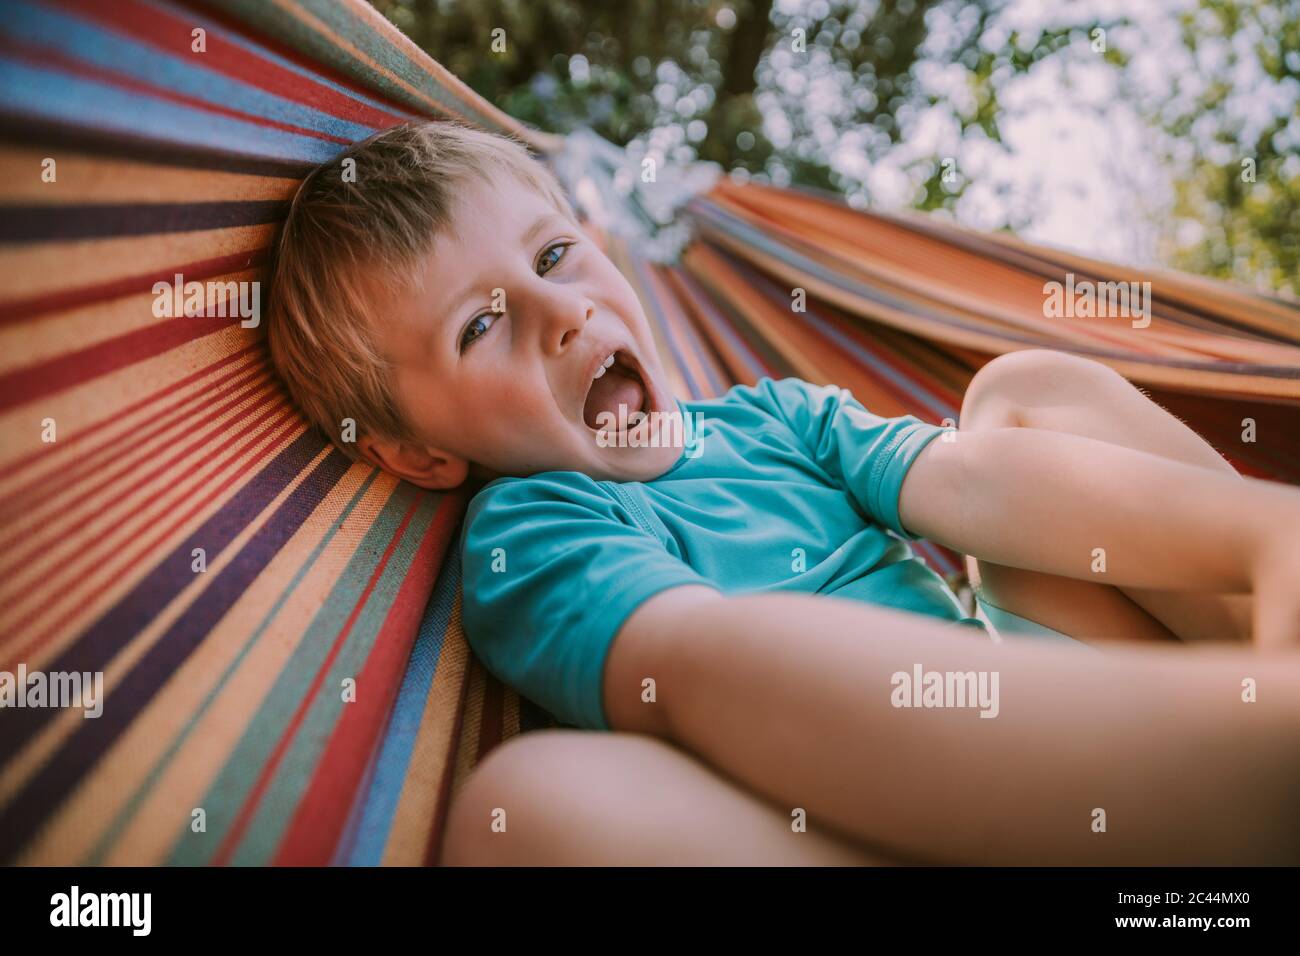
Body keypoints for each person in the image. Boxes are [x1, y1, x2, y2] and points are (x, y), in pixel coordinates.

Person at [266, 121, 1300, 866]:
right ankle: (1246, 755)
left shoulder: (775, 419)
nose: (560, 312)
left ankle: (1275, 580)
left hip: (1092, 717)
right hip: (879, 818)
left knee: (1028, 396)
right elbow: (697, 666)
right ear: (415, 453)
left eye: (551, 255)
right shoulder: (532, 528)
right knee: (534, 809)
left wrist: (1263, 538)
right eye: (478, 326)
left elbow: (978, 486)